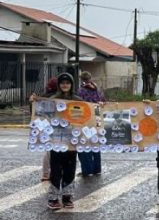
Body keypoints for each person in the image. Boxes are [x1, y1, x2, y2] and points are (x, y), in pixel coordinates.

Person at [31, 72, 82, 210]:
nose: (65, 85)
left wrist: (100, 105)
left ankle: (67, 197)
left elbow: (88, 115)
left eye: (68, 83)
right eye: (62, 83)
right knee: (56, 169)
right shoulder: (52, 99)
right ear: (59, 85)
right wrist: (34, 102)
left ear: (71, 85)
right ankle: (53, 198)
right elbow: (41, 114)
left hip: (72, 140)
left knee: (70, 169)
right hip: (56, 141)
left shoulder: (78, 100)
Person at [77, 71, 106, 177]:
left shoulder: (81, 91)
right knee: (95, 143)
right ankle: (96, 168)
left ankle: (87, 169)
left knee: (84, 144)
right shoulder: (97, 90)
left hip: (85, 120)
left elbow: (78, 104)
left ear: (81, 79)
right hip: (97, 120)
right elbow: (103, 101)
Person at [40, 77, 59, 182]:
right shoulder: (60, 97)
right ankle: (51, 173)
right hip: (58, 126)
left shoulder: (43, 96)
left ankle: (46, 174)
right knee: (55, 151)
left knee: (48, 151)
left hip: (46, 126)